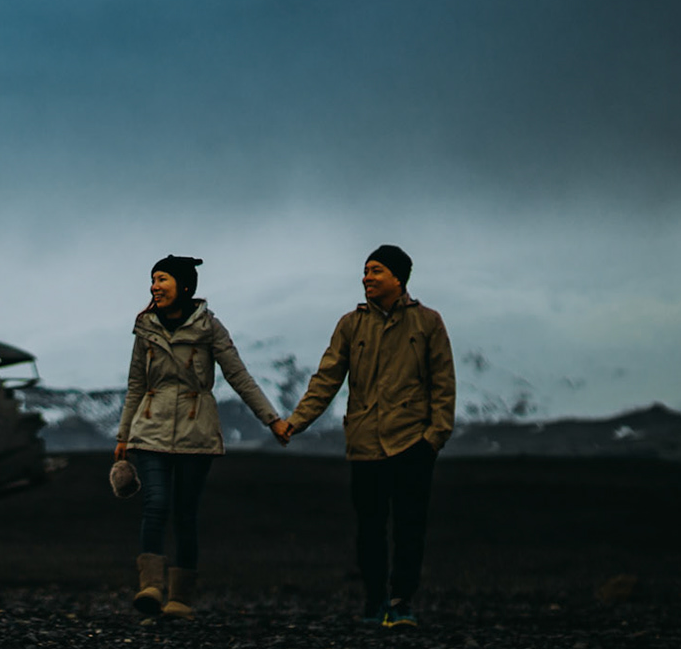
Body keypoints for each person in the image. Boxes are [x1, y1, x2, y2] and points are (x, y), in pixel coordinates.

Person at [272, 244, 456, 628]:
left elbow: (443, 384)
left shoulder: (428, 323)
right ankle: (374, 601)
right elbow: (327, 379)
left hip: (411, 444)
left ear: (398, 278)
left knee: (409, 528)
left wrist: (434, 438)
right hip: (365, 444)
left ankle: (402, 602)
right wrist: (296, 421)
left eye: (375, 271)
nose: (366, 278)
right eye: (365, 271)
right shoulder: (350, 325)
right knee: (370, 529)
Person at [114, 255, 285, 619]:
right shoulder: (145, 327)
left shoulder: (209, 328)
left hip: (197, 432)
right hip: (150, 429)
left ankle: (180, 600)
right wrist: (124, 434)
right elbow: (135, 384)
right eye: (153, 280)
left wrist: (272, 420)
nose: (154, 286)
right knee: (155, 504)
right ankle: (150, 587)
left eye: (162, 279)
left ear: (185, 286)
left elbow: (239, 376)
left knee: (185, 514)